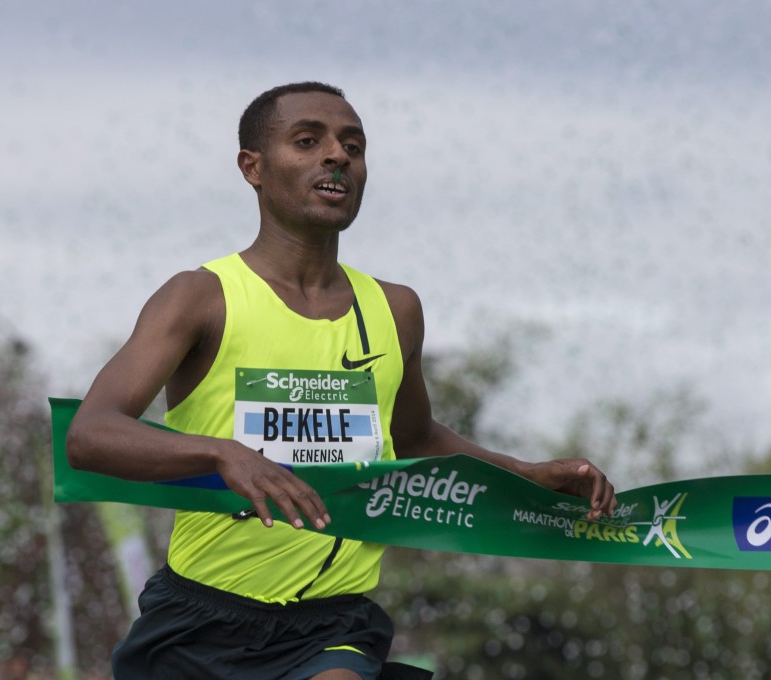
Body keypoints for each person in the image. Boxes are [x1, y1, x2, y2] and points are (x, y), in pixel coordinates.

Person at [66, 81, 617, 680]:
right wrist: (223, 453)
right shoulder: (201, 298)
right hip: (201, 620)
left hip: (330, 627)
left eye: (353, 146)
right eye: (308, 141)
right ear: (252, 166)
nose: (337, 156)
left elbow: (413, 440)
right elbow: (91, 434)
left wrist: (526, 475)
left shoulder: (395, 309)